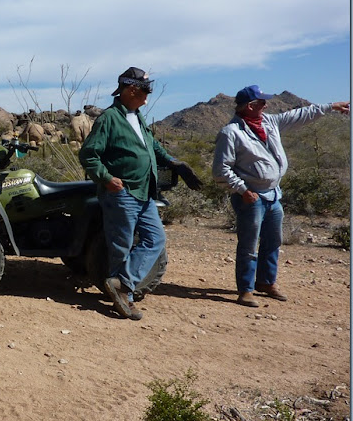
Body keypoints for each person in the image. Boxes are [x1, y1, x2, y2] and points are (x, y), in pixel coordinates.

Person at [80, 67, 203, 320]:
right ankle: (123, 297)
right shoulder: (109, 118)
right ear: (131, 89)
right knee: (121, 246)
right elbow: (89, 155)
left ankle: (122, 284)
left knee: (155, 239)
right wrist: (107, 178)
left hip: (144, 192)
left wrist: (173, 162)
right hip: (121, 193)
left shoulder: (136, 116)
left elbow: (151, 146)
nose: (149, 94)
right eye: (146, 89)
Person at [212, 85, 350, 307]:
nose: (266, 105)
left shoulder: (269, 122)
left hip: (273, 194)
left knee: (273, 240)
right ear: (250, 106)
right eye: (261, 102)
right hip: (251, 196)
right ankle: (246, 290)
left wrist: (330, 107)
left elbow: (299, 115)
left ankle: (266, 282)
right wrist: (243, 190)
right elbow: (221, 170)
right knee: (249, 244)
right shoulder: (231, 133)